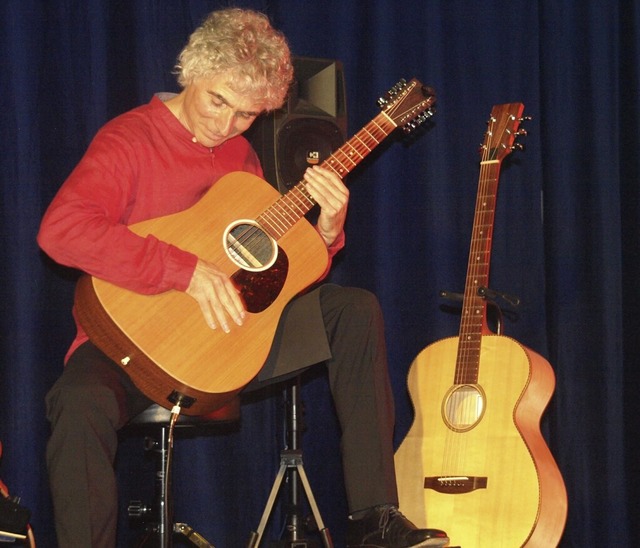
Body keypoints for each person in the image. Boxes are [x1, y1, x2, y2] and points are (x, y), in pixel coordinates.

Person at [37, 8, 449, 548]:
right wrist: (182, 271)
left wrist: (326, 231)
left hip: (233, 344)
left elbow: (271, 269)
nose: (226, 125)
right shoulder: (130, 139)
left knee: (352, 308)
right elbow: (61, 231)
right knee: (76, 403)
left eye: (247, 115)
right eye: (218, 101)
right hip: (133, 343)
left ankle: (374, 519)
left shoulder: (239, 156)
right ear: (191, 71)